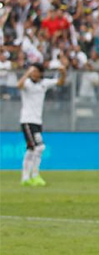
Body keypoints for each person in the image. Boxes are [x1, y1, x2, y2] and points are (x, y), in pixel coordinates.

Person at [18, 58, 67, 186]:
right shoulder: (27, 83)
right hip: (27, 120)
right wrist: (27, 73)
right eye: (32, 71)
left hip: (37, 121)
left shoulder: (44, 83)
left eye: (36, 71)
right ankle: (34, 175)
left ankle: (25, 178)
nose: (34, 73)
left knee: (31, 149)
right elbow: (19, 85)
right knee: (39, 147)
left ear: (40, 73)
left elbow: (60, 82)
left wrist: (63, 72)